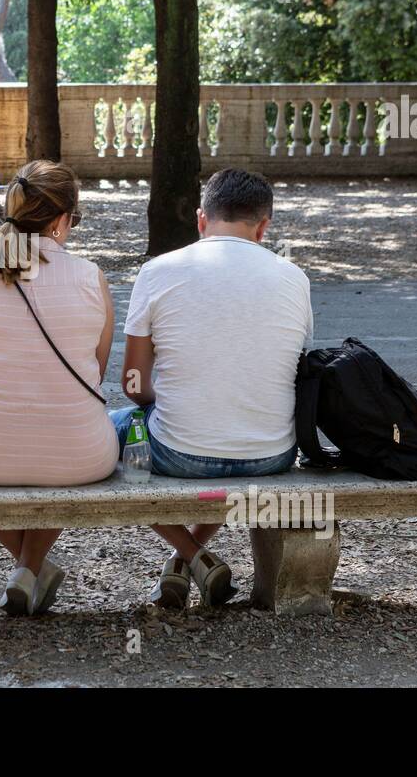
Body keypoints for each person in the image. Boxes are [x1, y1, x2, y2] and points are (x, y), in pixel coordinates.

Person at [110, 168, 313, 609]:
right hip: (271, 455)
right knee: (220, 429)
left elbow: (134, 386)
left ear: (201, 220)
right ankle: (184, 562)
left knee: (106, 436)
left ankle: (192, 554)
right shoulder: (294, 277)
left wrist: (170, 402)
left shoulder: (157, 271)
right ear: (264, 226)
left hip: (179, 455)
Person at [0, 160, 117, 616]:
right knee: (61, 423)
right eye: (73, 220)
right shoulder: (91, 277)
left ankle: (28, 566)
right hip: (82, 456)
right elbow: (95, 369)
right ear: (60, 220)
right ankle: (29, 567)